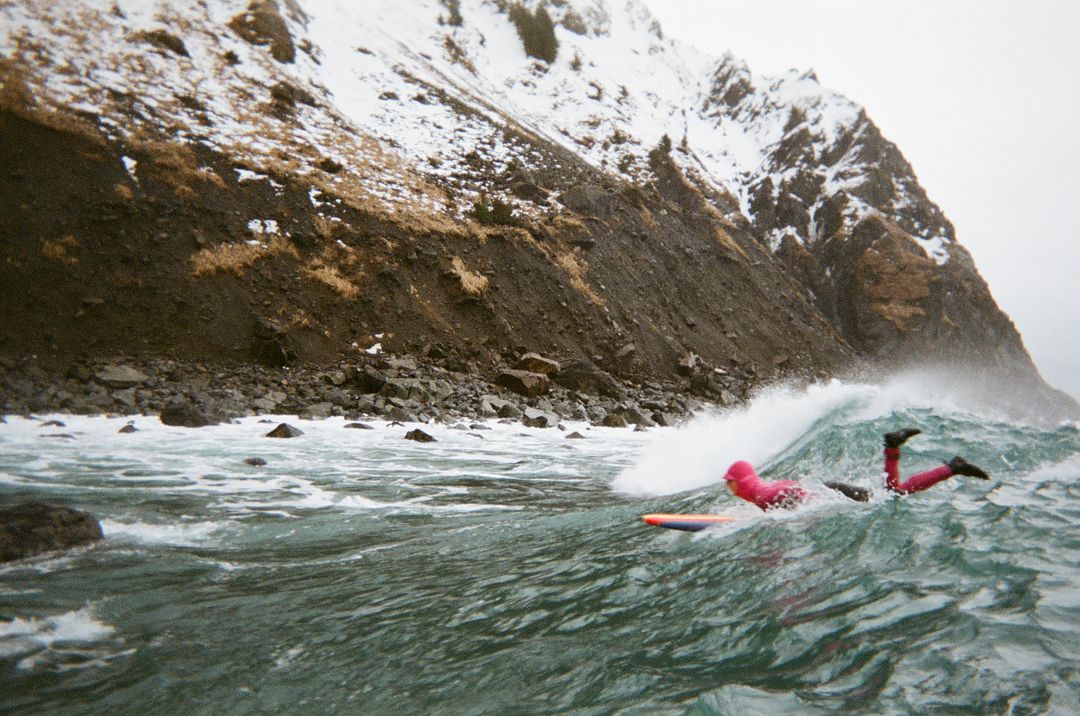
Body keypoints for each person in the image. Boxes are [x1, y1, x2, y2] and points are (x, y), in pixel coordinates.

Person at [723, 427, 990, 511]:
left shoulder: (762, 495)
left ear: (741, 479)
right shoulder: (758, 491)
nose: (728, 486)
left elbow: (791, 491)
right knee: (892, 493)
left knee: (893, 495)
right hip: (832, 488)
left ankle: (949, 467)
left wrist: (813, 506)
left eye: (730, 481)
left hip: (832, 491)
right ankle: (896, 449)